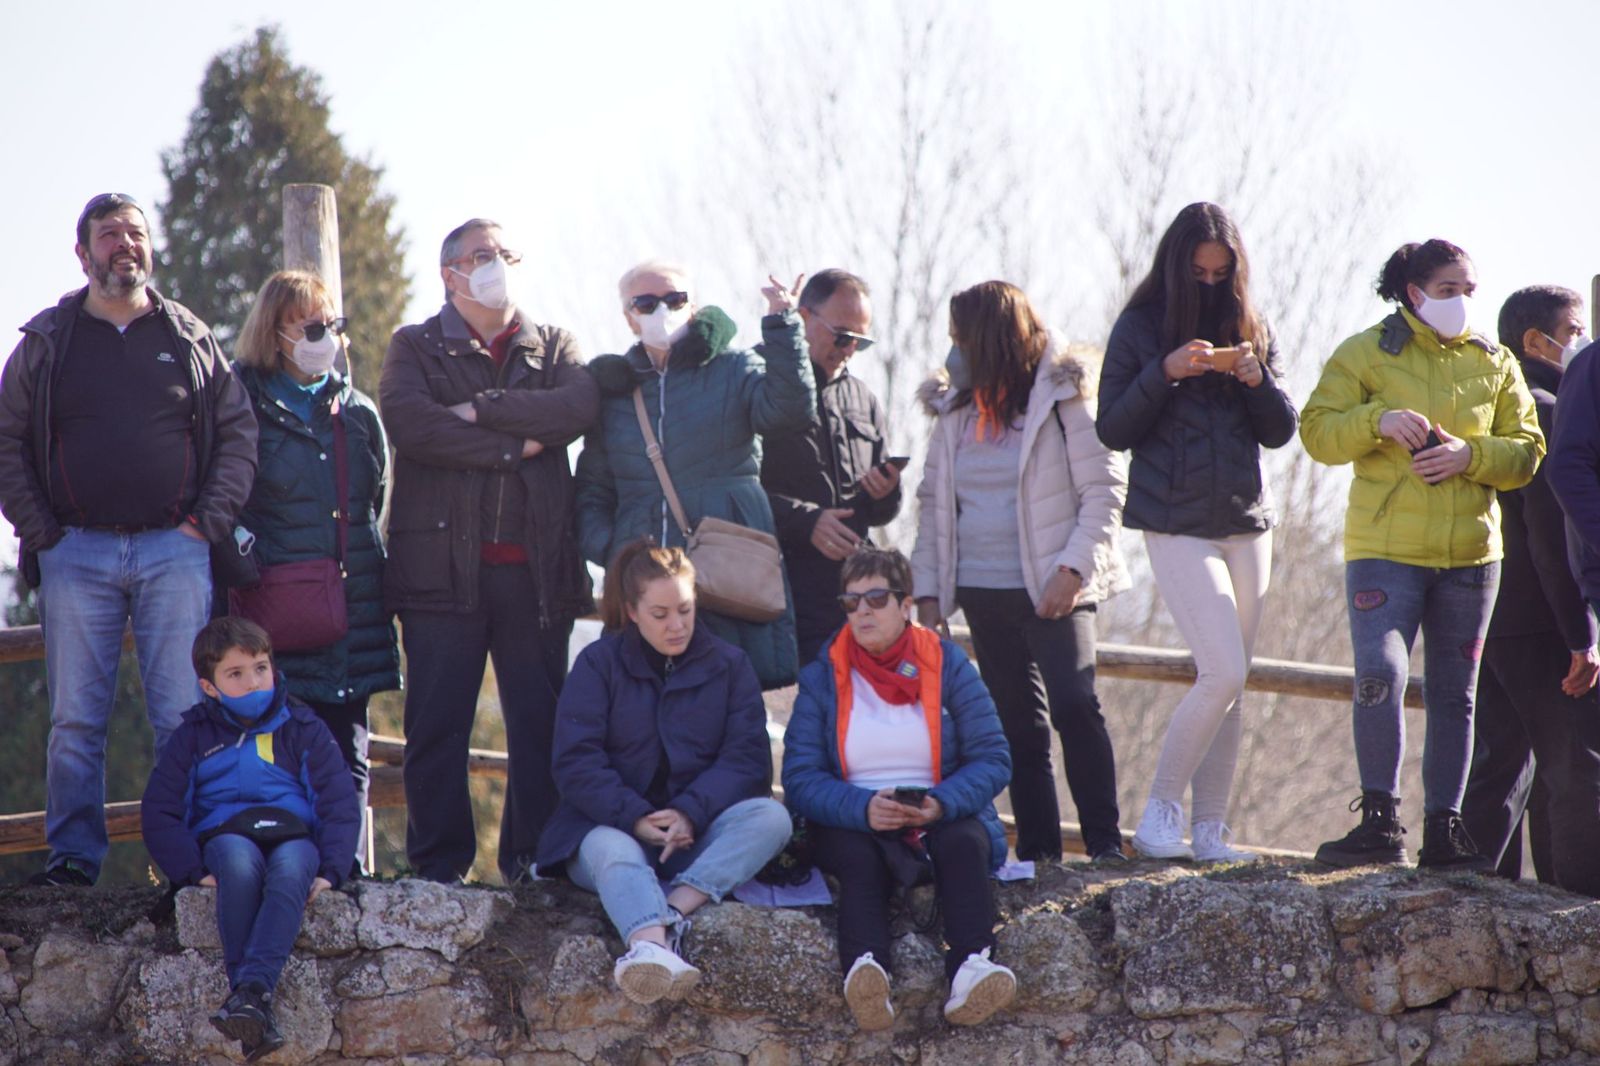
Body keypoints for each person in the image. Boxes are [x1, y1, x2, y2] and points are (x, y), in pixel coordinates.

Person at [0, 193, 257, 886]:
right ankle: (74, 861)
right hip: (75, 553)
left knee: (183, 715)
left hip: (175, 550)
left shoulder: (189, 336)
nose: (125, 244)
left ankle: (188, 857)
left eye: (136, 233)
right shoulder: (48, 341)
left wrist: (206, 522)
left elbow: (237, 435)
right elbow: (7, 441)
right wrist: (42, 532)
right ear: (83, 254)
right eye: (109, 234)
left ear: (151, 248)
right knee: (75, 725)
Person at [1302, 238, 1543, 870]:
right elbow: (1316, 431)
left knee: (1457, 694)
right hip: (1385, 553)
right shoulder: (1363, 352)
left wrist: (1471, 456)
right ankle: (1379, 822)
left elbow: (1528, 450)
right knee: (1379, 676)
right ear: (1414, 294)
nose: (1461, 302)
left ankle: (1445, 829)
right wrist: (1376, 420)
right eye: (1447, 290)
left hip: (1471, 558)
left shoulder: (1498, 363)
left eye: (1468, 291)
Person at [378, 218, 599, 884]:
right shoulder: (413, 346)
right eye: (481, 255)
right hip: (440, 575)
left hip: (538, 574)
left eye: (504, 253)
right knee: (437, 727)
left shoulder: (555, 345)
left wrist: (483, 408)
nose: (496, 263)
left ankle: (534, 864)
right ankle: (439, 870)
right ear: (449, 275)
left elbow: (576, 409)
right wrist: (513, 445)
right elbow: (414, 428)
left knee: (542, 726)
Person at [1095, 202, 1298, 863]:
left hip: (1247, 524)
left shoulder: (1254, 325)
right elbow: (1113, 428)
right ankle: (1159, 818)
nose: (1211, 282)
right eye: (1200, 271)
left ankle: (1210, 831)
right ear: (1178, 267)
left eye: (1222, 271)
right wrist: (1166, 372)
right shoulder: (1138, 327)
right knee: (1221, 671)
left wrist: (1254, 378)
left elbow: (1281, 429)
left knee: (1234, 685)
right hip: (1175, 523)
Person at [912, 280, 1130, 864]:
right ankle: (1038, 853)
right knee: (1018, 729)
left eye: (962, 337)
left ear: (990, 339)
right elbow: (933, 503)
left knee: (1075, 705)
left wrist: (1073, 569)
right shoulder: (954, 409)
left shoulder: (1066, 395)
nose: (953, 348)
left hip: (1057, 589)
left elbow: (1105, 492)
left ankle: (1104, 846)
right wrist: (928, 590)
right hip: (984, 591)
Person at [536, 539, 792, 1004]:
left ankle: (672, 914)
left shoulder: (730, 666)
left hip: (697, 836)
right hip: (608, 830)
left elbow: (746, 760)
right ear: (632, 612)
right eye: (660, 614)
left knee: (772, 818)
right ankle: (651, 946)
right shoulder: (597, 664)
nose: (677, 625)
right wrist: (635, 817)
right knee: (614, 849)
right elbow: (576, 761)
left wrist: (690, 812)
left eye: (686, 610)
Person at [783, 547, 1016, 1031]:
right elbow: (801, 778)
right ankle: (866, 974)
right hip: (852, 816)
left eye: (875, 598)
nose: (862, 611)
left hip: (938, 811)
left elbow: (994, 757)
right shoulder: (823, 674)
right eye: (851, 602)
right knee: (858, 857)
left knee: (964, 842)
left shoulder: (948, 664)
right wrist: (862, 808)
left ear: (905, 604)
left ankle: (971, 970)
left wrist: (940, 803)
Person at [576, 261, 816, 690]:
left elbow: (790, 412)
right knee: (641, 706)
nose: (662, 311)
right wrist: (612, 549)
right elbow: (593, 488)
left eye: (675, 299)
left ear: (693, 305)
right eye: (646, 303)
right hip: (643, 582)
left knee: (732, 701)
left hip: (728, 570)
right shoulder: (613, 392)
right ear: (628, 316)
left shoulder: (734, 368)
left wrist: (783, 326)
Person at [230, 270, 400, 872]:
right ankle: (281, 865)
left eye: (333, 324)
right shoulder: (240, 406)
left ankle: (343, 874)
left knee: (347, 753)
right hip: (272, 617)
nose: (325, 336)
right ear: (274, 332)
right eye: (311, 325)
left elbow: (374, 507)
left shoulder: (359, 414)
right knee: (273, 750)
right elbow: (227, 504)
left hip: (350, 615)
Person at [141, 616, 358, 1061]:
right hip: (227, 838)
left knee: (295, 868)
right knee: (238, 866)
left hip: (293, 836)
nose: (253, 681)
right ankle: (254, 998)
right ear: (209, 686)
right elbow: (160, 810)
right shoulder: (194, 736)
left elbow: (338, 800)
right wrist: (191, 871)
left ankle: (249, 994)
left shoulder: (302, 726)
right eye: (235, 674)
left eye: (260, 667)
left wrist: (334, 869)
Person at [761, 269, 902, 663]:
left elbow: (882, 511)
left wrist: (887, 493)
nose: (849, 349)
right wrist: (806, 521)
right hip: (775, 590)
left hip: (852, 599)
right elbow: (730, 489)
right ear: (803, 317)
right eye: (842, 335)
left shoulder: (863, 397)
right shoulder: (756, 381)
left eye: (861, 340)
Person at [1514, 285, 1600, 897]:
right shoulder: (1547, 404)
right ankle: (1576, 899)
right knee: (1572, 764)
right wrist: (1581, 632)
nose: (1577, 342)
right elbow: (1549, 535)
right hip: (1548, 613)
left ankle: (1493, 887)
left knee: (1510, 764)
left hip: (1500, 610)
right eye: (1570, 330)